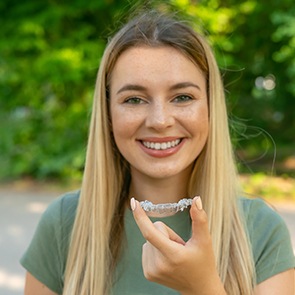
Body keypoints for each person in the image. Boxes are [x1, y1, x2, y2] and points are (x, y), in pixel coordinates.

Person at [21, 10, 295, 295]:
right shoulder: (65, 223)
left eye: (182, 97)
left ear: (211, 107)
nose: (160, 120)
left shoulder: (260, 231)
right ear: (108, 113)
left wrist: (203, 287)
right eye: (134, 99)